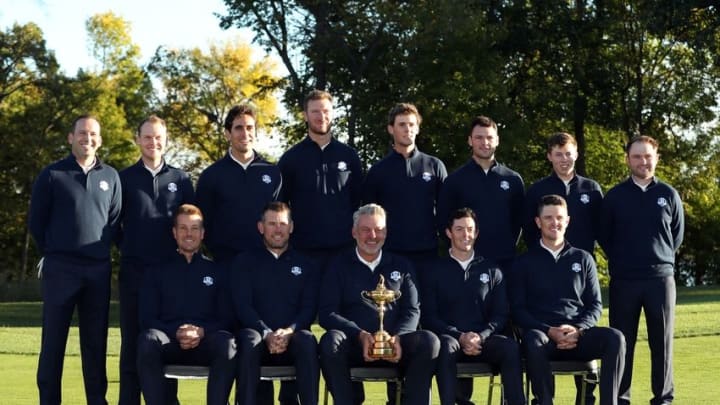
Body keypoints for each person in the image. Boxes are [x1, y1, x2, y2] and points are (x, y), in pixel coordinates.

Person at [29, 115, 122, 405]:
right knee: (53, 343)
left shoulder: (111, 176)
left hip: (97, 269)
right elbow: (36, 222)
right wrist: (55, 251)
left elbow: (114, 221)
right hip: (61, 269)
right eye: (82, 133)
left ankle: (97, 401)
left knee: (95, 344)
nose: (88, 138)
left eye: (93, 134)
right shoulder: (52, 174)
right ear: (70, 137)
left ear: (100, 140)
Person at [318, 204, 439, 405]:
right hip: (354, 344)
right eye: (366, 230)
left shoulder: (402, 265)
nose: (372, 236)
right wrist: (360, 335)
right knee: (330, 341)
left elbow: (412, 310)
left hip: (396, 344)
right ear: (354, 232)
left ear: (386, 232)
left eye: (379, 230)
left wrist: (398, 338)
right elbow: (327, 312)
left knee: (430, 341)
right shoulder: (337, 265)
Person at [511, 195, 625, 405]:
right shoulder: (523, 263)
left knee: (615, 338)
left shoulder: (583, 259)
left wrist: (578, 329)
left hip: (578, 336)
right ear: (538, 222)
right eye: (548, 218)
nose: (555, 223)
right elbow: (518, 310)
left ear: (568, 221)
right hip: (543, 338)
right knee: (533, 340)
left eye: (559, 217)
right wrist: (549, 330)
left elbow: (595, 305)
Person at [599, 135, 684, 405]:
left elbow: (676, 235)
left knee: (662, 344)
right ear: (628, 160)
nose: (643, 161)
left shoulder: (668, 194)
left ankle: (663, 399)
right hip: (624, 280)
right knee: (623, 344)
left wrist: (660, 259)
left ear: (656, 158)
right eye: (637, 156)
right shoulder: (614, 196)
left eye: (648, 156)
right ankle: (621, 399)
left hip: (660, 279)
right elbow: (605, 236)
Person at [117, 115, 195, 405]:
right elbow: (113, 226)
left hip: (169, 277)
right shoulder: (123, 179)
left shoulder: (181, 179)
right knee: (131, 345)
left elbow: (190, 223)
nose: (153, 142)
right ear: (138, 140)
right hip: (134, 273)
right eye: (147, 137)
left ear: (166, 139)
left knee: (165, 342)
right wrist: (130, 248)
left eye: (158, 137)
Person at [522, 132, 602, 404]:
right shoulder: (536, 190)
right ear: (549, 157)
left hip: (580, 276)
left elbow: (602, 231)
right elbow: (529, 231)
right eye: (558, 154)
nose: (564, 159)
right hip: (543, 271)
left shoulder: (592, 189)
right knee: (537, 342)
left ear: (576, 154)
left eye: (568, 153)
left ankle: (587, 398)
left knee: (593, 337)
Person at [421, 208, 525, 405]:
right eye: (459, 229)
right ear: (448, 233)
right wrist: (460, 336)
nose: (465, 235)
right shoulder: (433, 270)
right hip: (450, 340)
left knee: (511, 348)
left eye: (470, 229)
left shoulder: (492, 269)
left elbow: (501, 314)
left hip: (485, 340)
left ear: (476, 233)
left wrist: (481, 336)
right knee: (445, 345)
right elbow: (429, 316)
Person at [136, 204, 235, 405]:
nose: (188, 234)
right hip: (169, 341)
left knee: (228, 344)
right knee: (147, 340)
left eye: (194, 228)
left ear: (203, 233)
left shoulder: (219, 272)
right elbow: (147, 317)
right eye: (183, 228)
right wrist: (177, 332)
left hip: (205, 342)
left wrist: (200, 332)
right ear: (174, 232)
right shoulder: (156, 271)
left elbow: (227, 318)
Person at [231, 202, 320, 405]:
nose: (277, 229)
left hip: (293, 337)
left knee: (307, 341)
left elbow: (309, 308)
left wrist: (289, 332)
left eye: (282, 223)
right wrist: (266, 333)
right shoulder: (244, 262)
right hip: (257, 337)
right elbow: (243, 306)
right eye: (272, 224)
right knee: (250, 339)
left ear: (291, 227)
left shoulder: (307, 265)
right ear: (261, 227)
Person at [278, 89, 363, 272]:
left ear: (332, 114)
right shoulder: (290, 159)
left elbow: (357, 200)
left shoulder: (349, 156)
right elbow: (281, 205)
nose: (321, 116)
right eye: (315, 111)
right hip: (303, 250)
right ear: (305, 115)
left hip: (344, 249)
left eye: (326, 111)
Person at [363, 102, 447, 276]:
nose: (407, 129)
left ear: (417, 129)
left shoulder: (434, 165)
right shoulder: (378, 171)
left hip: (428, 252)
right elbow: (369, 216)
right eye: (402, 124)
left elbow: (446, 210)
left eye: (412, 124)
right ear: (391, 129)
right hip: (391, 253)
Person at [196, 104, 281, 265]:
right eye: (238, 128)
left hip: (266, 263)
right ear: (228, 134)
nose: (245, 133)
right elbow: (203, 223)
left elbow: (280, 217)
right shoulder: (211, 175)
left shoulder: (273, 172)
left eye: (250, 128)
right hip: (226, 264)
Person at [437, 115, 524, 272]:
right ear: (470, 140)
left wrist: (506, 245)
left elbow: (518, 222)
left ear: (497, 140)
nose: (485, 143)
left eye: (489, 137)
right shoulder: (454, 181)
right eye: (479, 138)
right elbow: (444, 221)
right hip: (467, 264)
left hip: (505, 262)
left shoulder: (513, 179)